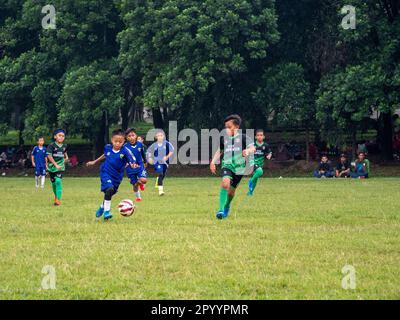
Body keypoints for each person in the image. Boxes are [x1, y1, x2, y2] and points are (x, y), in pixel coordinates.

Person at [210, 114, 255, 220]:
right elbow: (220, 151)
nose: (226, 130)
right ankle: (220, 210)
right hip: (227, 165)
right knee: (225, 183)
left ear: (237, 127)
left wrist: (247, 151)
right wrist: (213, 162)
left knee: (231, 192)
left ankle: (227, 205)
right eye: (225, 127)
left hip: (239, 168)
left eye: (229, 127)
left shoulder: (244, 138)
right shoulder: (224, 139)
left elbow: (253, 148)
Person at [86, 129, 137, 220]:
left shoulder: (125, 151)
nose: (117, 143)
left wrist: (133, 164)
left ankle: (102, 206)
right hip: (106, 172)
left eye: (120, 142)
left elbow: (131, 159)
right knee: (109, 189)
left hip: (117, 177)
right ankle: (107, 212)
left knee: (111, 192)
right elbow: (105, 155)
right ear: (112, 140)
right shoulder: (108, 147)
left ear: (124, 141)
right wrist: (94, 162)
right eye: (115, 141)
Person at [146, 130, 175, 196]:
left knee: (163, 174)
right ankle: (160, 191)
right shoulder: (154, 145)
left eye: (161, 135)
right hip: (157, 162)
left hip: (165, 162)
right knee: (160, 174)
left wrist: (167, 157)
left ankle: (158, 180)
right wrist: (149, 158)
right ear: (156, 137)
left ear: (163, 136)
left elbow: (172, 150)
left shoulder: (167, 143)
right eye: (158, 136)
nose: (160, 137)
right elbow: (148, 152)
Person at [125, 128, 148, 202]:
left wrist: (145, 162)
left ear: (136, 136)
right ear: (126, 138)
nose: (131, 137)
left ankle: (140, 182)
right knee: (135, 185)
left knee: (144, 180)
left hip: (140, 165)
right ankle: (138, 197)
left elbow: (142, 154)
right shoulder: (125, 147)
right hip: (130, 168)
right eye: (129, 136)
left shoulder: (140, 144)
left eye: (133, 135)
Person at [47, 129, 69, 206]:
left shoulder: (65, 146)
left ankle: (58, 200)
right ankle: (56, 196)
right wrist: (55, 164)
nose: (61, 137)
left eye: (63, 136)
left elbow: (65, 153)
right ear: (55, 137)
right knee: (53, 183)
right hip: (52, 167)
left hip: (60, 167)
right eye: (59, 135)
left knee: (58, 181)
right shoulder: (51, 145)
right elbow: (49, 156)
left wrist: (66, 158)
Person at [247, 129, 272, 196]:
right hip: (252, 162)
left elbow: (269, 152)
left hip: (260, 164)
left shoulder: (266, 145)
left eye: (261, 135)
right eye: (258, 135)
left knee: (256, 179)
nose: (259, 137)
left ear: (263, 137)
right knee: (260, 172)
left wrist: (269, 155)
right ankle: (250, 181)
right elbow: (247, 151)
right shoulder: (253, 145)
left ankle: (250, 192)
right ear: (255, 137)